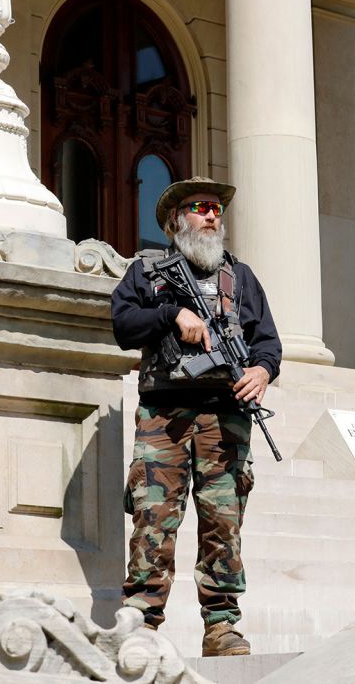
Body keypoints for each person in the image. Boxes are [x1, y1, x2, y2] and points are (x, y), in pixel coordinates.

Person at [111, 176, 282, 657]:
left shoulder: (240, 277)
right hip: (164, 414)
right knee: (153, 519)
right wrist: (170, 315)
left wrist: (262, 372)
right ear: (174, 221)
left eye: (217, 210)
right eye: (200, 207)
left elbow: (268, 341)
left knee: (223, 523)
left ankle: (222, 626)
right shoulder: (145, 273)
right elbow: (123, 325)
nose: (212, 215)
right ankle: (141, 624)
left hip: (225, 417)